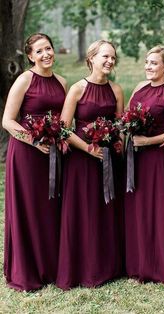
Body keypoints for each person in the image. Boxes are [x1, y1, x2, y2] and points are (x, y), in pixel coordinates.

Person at [56, 39, 124, 289]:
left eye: (113, 58)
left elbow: (119, 125)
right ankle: (81, 268)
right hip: (82, 160)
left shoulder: (116, 89)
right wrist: (87, 148)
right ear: (91, 58)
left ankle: (108, 266)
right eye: (105, 56)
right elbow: (63, 129)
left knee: (106, 211)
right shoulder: (77, 88)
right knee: (83, 212)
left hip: (109, 160)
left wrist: (116, 142)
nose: (109, 61)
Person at [2, 33, 67, 291]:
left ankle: (49, 266)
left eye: (48, 48)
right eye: (39, 51)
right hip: (27, 154)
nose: (46, 54)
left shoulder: (62, 82)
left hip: (53, 153)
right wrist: (33, 140)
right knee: (28, 208)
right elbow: (7, 120)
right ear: (30, 56)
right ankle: (27, 269)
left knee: (50, 208)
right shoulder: (24, 80)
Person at [125, 45, 164, 283]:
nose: (148, 66)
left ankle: (158, 267)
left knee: (156, 209)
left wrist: (149, 140)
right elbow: (126, 117)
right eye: (147, 62)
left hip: (157, 158)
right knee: (136, 209)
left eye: (154, 63)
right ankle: (137, 263)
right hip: (134, 157)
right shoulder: (139, 87)